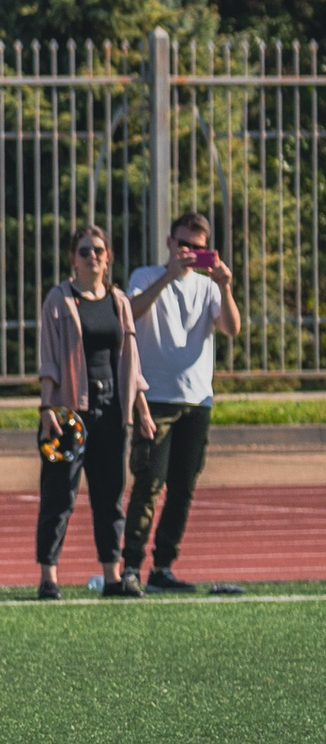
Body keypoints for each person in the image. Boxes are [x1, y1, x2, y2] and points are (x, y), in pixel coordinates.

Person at [120, 211, 243, 593]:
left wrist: (225, 286)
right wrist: (168, 276)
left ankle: (163, 568)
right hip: (155, 397)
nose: (190, 252)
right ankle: (131, 567)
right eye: (184, 244)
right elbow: (130, 313)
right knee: (148, 483)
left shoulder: (207, 287)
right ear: (170, 243)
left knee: (183, 488)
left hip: (197, 400)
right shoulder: (146, 276)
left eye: (199, 248)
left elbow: (231, 329)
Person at [35, 225, 156, 600]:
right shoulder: (60, 299)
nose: (93, 257)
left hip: (111, 409)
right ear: (73, 258)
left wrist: (142, 410)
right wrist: (46, 408)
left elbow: (130, 362)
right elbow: (50, 359)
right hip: (71, 411)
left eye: (99, 251)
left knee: (110, 495)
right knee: (59, 495)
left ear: (109, 257)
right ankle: (49, 577)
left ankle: (112, 576)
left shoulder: (118, 301)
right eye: (85, 251)